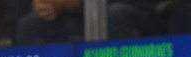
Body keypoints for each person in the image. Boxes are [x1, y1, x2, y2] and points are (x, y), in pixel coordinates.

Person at [13, 0, 158, 45]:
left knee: (114, 15)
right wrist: (40, 4)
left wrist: (78, 4)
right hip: (65, 16)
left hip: (131, 10)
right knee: (29, 24)